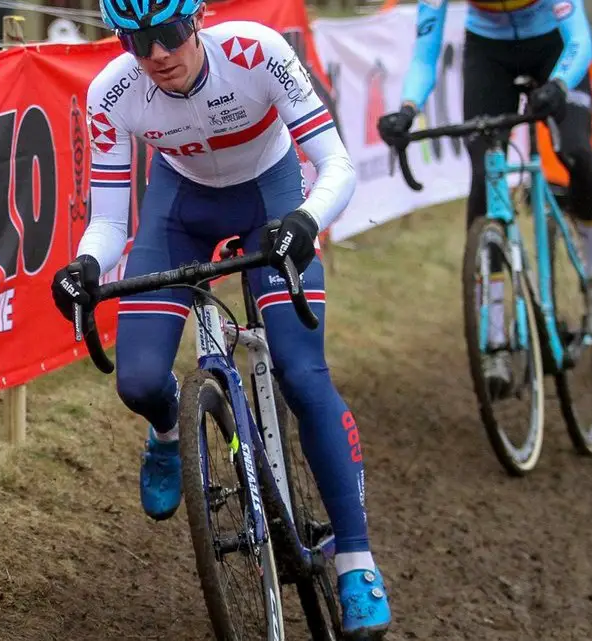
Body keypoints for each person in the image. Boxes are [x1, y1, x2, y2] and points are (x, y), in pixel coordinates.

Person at [50, 2, 391, 637]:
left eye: (170, 34)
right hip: (178, 211)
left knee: (301, 374)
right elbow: (108, 220)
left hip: (271, 194)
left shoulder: (257, 53)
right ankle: (168, 432)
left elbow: (335, 163)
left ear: (199, 20)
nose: (156, 54)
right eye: (136, 40)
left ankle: (355, 559)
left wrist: (305, 223)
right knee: (139, 381)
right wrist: (86, 266)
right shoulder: (112, 93)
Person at [377, 0, 592, 390]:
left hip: (555, 47)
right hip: (490, 51)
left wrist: (558, 85)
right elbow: (425, 55)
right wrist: (407, 110)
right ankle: (493, 333)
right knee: (484, 175)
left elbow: (579, 39)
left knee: (575, 151)